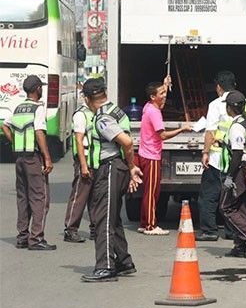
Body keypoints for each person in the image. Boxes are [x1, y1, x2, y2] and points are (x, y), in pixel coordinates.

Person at [80, 78, 143, 282]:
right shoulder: (116, 110)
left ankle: (105, 266)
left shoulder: (102, 118)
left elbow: (126, 141)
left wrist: (131, 165)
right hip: (117, 168)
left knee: (103, 218)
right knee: (113, 218)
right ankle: (124, 261)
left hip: (109, 168)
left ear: (88, 98)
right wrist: (129, 166)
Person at [2, 75, 55, 250]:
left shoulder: (17, 108)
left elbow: (5, 125)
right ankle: (36, 238)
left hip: (20, 158)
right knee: (40, 198)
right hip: (33, 158)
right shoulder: (37, 109)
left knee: (23, 197)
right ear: (37, 89)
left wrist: (14, 141)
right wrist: (47, 157)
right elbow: (39, 133)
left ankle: (22, 237)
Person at [197, 71, 246, 241]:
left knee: (209, 195)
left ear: (218, 87)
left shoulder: (215, 104)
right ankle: (231, 231)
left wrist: (205, 152)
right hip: (236, 156)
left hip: (217, 157)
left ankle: (209, 231)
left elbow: (210, 131)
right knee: (232, 196)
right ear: (234, 85)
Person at [137, 77, 191, 235]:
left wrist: (165, 84)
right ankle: (151, 226)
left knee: (149, 191)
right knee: (152, 192)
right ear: (153, 97)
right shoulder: (154, 113)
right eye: (162, 93)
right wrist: (182, 129)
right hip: (151, 155)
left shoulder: (148, 106)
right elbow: (163, 135)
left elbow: (160, 92)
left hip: (146, 153)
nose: (165, 96)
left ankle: (144, 222)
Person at [219, 90, 246, 257]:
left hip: (238, 171)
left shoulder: (237, 126)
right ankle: (239, 245)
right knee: (241, 207)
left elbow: (237, 153)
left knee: (226, 207)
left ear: (230, 108)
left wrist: (229, 177)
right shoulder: (245, 122)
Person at [63, 99, 96, 243]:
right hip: (85, 159)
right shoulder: (81, 115)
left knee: (95, 197)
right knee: (79, 196)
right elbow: (78, 140)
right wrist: (83, 165)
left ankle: (95, 229)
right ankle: (70, 230)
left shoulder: (94, 113)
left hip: (95, 159)